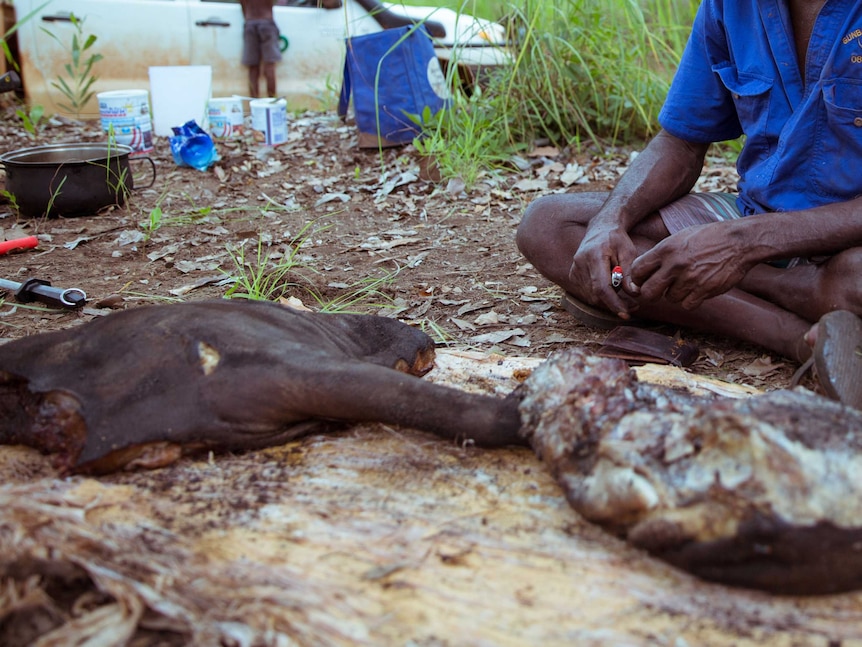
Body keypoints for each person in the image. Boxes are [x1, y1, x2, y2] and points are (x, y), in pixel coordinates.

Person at [516, 0, 862, 409]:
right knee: (552, 227)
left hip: (845, 236)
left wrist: (739, 244)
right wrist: (610, 220)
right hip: (754, 213)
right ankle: (798, 336)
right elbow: (681, 140)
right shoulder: (730, 6)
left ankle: (801, 293)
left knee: (855, 281)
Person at [240, 0, 282, 98]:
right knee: (269, 65)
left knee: (253, 67)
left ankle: (254, 103)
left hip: (250, 23)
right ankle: (272, 101)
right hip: (267, 22)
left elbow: (243, 6)